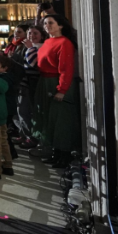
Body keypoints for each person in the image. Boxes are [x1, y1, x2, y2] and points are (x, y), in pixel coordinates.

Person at [36, 14, 80, 168]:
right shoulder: (48, 41)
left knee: (62, 120)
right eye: (45, 23)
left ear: (60, 25)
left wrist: (62, 90)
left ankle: (65, 155)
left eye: (51, 23)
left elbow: (66, 69)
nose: (47, 26)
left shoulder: (64, 43)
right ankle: (56, 153)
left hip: (56, 84)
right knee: (50, 119)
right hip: (46, 83)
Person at [16, 25, 47, 148]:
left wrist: (30, 48)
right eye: (29, 33)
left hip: (36, 83)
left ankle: (34, 138)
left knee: (32, 111)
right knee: (23, 111)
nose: (32, 36)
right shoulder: (27, 47)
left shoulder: (40, 48)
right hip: (26, 83)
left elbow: (33, 63)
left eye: (35, 33)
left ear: (42, 36)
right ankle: (29, 135)